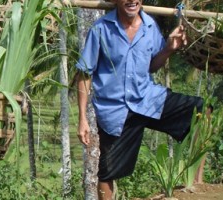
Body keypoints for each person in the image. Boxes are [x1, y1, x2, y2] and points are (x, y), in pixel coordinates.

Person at [74, 1, 207, 199]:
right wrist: (82, 118)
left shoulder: (150, 27)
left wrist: (169, 49)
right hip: (116, 110)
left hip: (148, 99)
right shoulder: (101, 29)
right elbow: (85, 74)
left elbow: (152, 66)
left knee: (202, 111)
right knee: (107, 171)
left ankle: (198, 185)